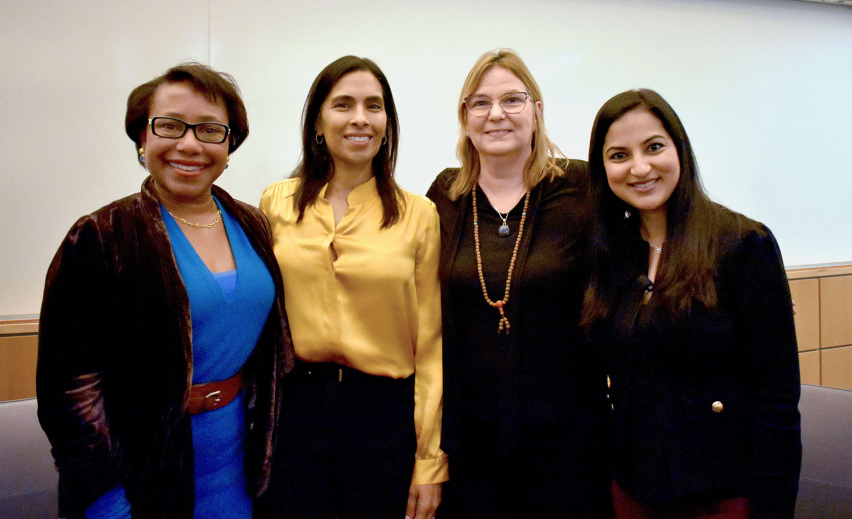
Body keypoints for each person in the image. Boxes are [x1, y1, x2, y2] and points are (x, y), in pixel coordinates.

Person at [36, 63, 294, 519]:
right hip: (141, 475)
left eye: (210, 130)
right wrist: (107, 502)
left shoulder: (254, 224)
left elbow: (270, 352)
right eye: (171, 126)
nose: (190, 144)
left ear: (229, 145)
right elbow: (69, 392)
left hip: (239, 463)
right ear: (142, 139)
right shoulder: (101, 236)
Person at [583, 88, 802, 519]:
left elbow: (777, 402)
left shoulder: (741, 244)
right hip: (633, 491)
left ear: (680, 149)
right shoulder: (613, 254)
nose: (640, 168)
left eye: (654, 147)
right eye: (619, 155)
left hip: (722, 495)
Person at [426, 49, 612, 518]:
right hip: (471, 442)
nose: (496, 114)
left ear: (537, 111)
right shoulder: (444, 195)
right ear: (465, 118)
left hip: (568, 439)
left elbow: (655, 240)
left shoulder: (583, 187)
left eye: (512, 99)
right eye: (480, 103)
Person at [258, 55, 446, 519]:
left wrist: (428, 460)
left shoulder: (418, 214)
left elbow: (431, 346)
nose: (360, 118)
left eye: (373, 106)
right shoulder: (275, 202)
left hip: (384, 417)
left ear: (387, 123)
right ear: (318, 122)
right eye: (343, 104)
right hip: (297, 410)